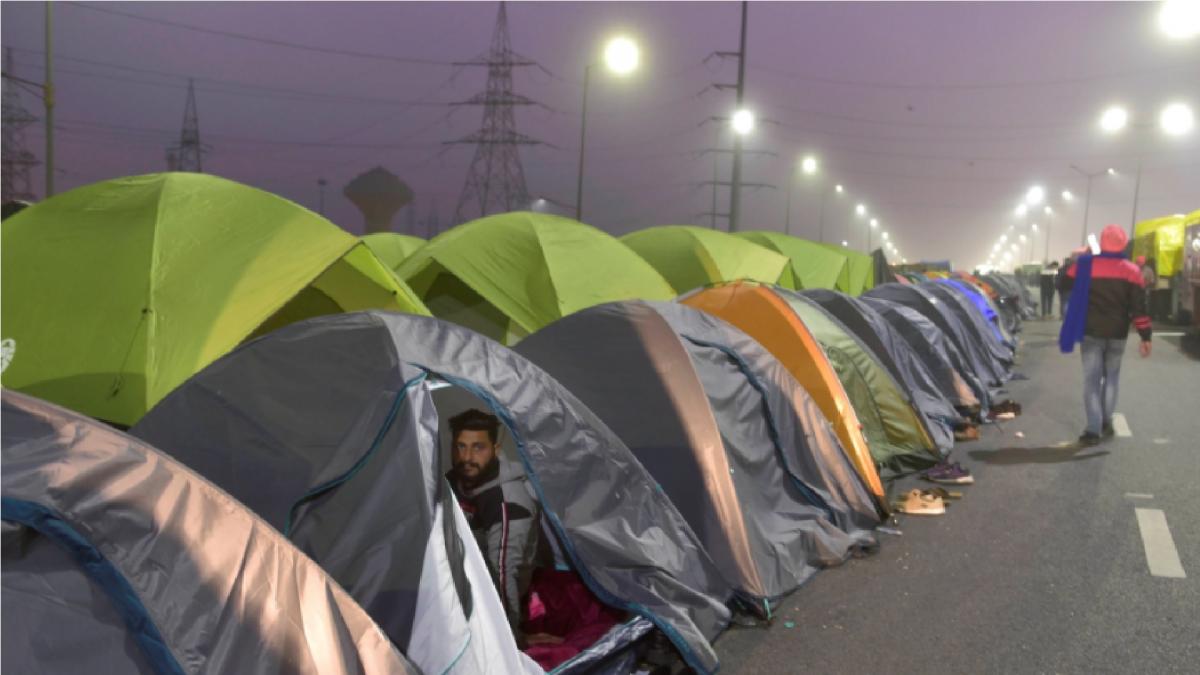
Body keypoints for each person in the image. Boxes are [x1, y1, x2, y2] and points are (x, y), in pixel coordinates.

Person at [446, 408, 539, 640]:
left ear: (496, 450)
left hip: (494, 597)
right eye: (460, 446)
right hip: (458, 582)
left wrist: (510, 640)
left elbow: (505, 575)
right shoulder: (453, 482)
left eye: (478, 447)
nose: (467, 457)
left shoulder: (507, 501)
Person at [1059, 225, 1152, 446]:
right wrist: (1145, 336)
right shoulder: (1132, 270)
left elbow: (1062, 282)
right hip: (1118, 332)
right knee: (1111, 378)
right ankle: (1105, 422)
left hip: (1091, 331)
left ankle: (1093, 429)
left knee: (1092, 380)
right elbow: (1139, 307)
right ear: (1123, 244)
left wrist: (1078, 258)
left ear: (1101, 242)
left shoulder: (1086, 266)